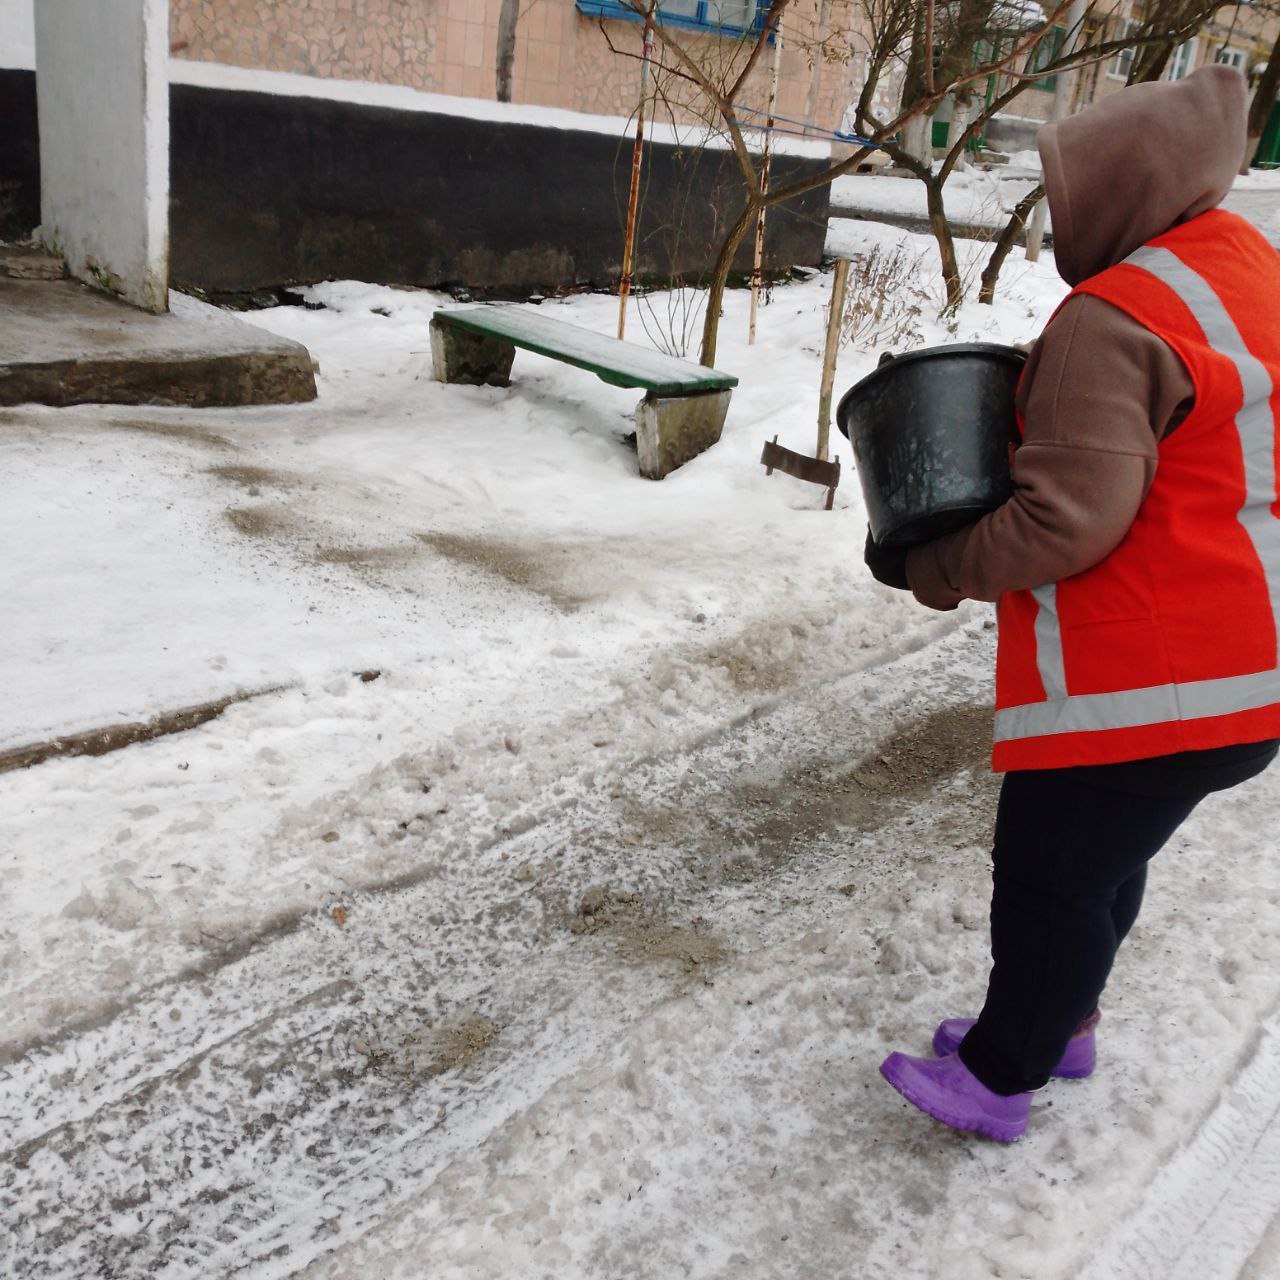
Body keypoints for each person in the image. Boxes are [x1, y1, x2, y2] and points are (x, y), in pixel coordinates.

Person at [868, 64, 1280, 1143]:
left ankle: (1003, 1073)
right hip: (1243, 667)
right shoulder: (1242, 271)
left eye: (1066, 192)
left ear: (1122, 184)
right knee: (1103, 860)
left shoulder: (1117, 314)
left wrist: (928, 563)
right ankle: (1063, 1019)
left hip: (1142, 675)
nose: (1059, 219)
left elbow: (1062, 520)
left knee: (1050, 871)